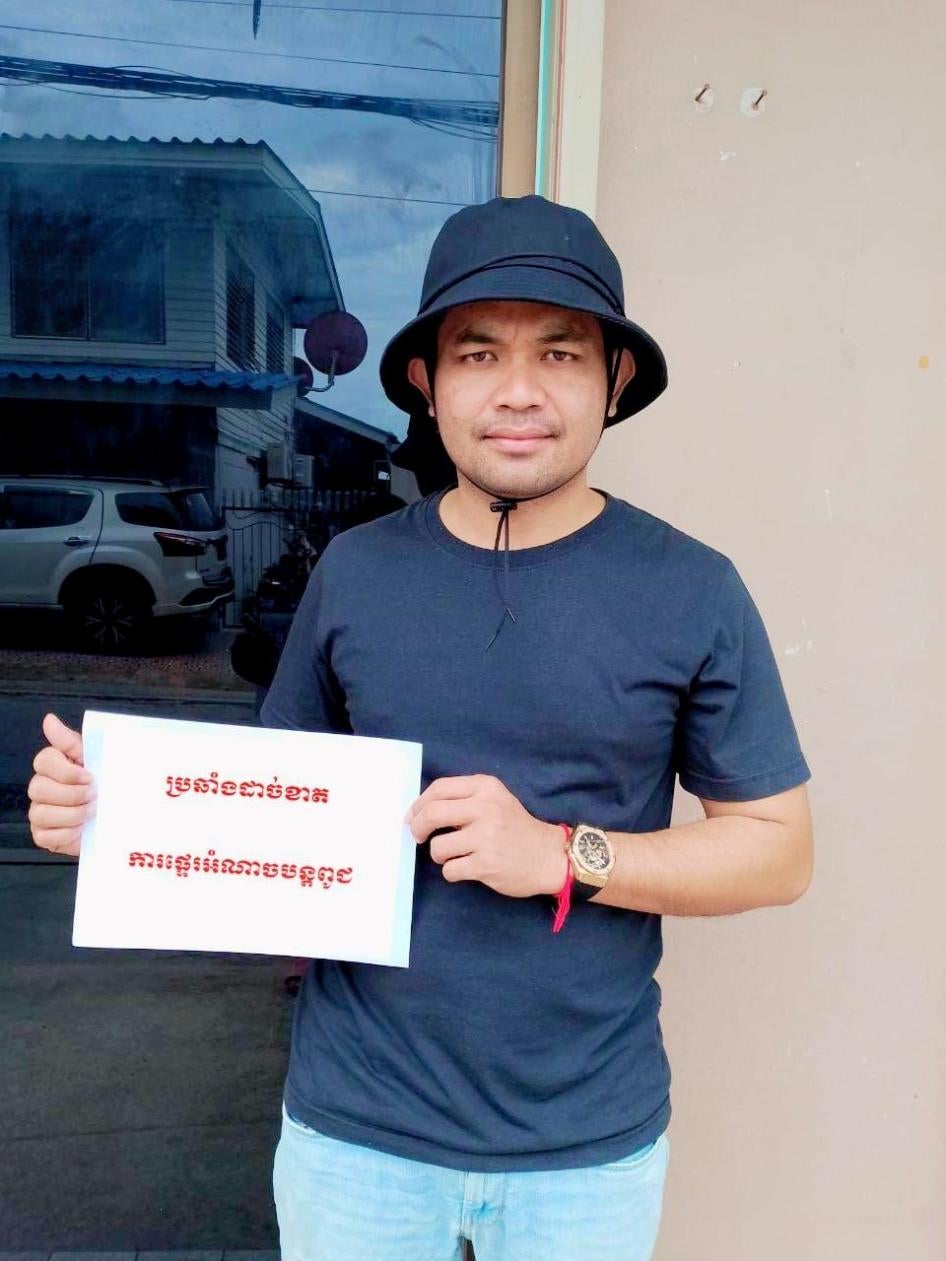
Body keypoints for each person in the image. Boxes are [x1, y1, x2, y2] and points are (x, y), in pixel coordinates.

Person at [28, 194, 813, 1261]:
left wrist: (559, 854)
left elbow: (777, 850)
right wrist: (110, 817)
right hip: (356, 1137)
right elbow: (266, 815)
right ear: (426, 383)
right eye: (478, 353)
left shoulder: (691, 589)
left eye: (561, 353)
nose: (519, 390)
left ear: (615, 379)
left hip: (585, 1149)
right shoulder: (356, 573)